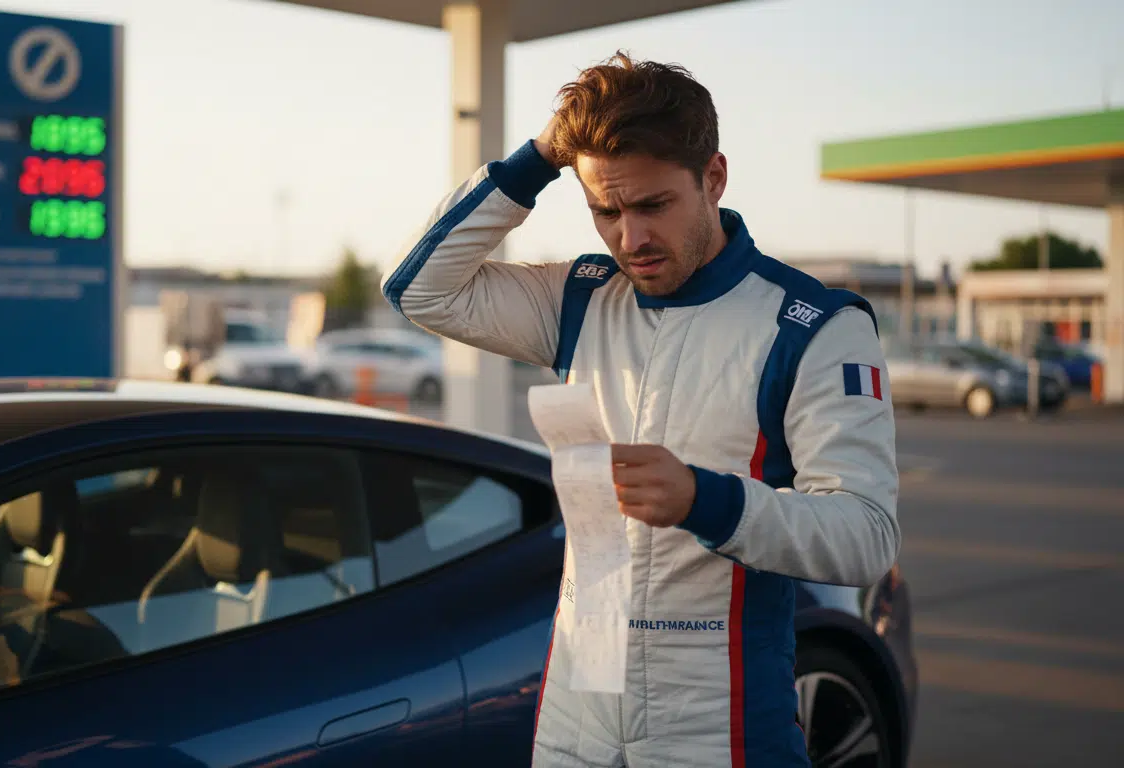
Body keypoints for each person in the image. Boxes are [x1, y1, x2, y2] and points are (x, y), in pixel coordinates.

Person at [381, 52, 900, 768]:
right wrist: (538, 158)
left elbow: (866, 535)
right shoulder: (582, 297)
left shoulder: (814, 324)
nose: (630, 239)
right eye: (605, 210)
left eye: (653, 206)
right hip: (575, 718)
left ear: (713, 178)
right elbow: (419, 290)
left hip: (722, 728)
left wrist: (705, 500)